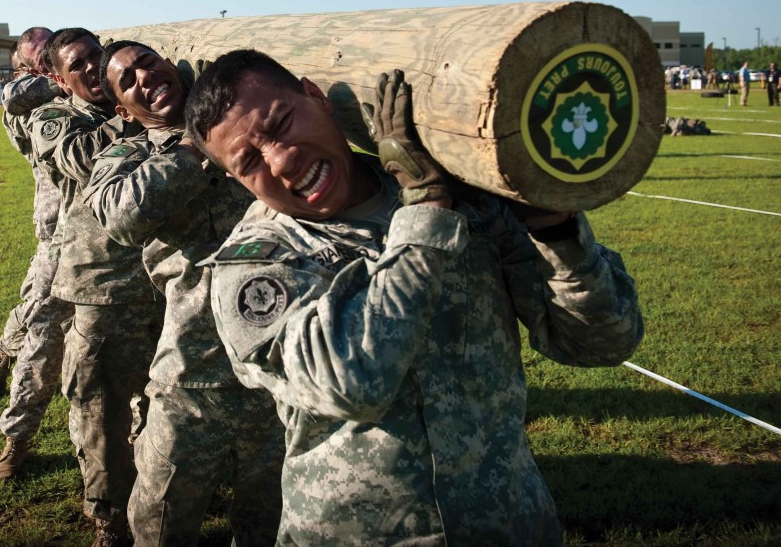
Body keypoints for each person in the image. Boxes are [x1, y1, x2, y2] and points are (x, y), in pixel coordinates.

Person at [184, 50, 644, 546]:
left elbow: (600, 343)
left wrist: (554, 229)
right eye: (250, 161)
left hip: (507, 524)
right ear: (235, 180)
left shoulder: (467, 202)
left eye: (281, 124)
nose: (282, 159)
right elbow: (352, 382)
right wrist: (425, 209)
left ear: (315, 95)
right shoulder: (254, 267)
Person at [82, 41, 285, 546]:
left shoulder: (242, 126)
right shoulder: (124, 157)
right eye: (126, 81)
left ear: (172, 64)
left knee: (273, 520)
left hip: (277, 365)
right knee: (160, 522)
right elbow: (123, 217)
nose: (142, 78)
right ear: (121, 107)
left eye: (147, 63)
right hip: (193, 375)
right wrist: (198, 147)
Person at [29, 28, 163, 547]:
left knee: (159, 402)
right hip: (100, 285)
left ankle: (156, 489)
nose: (90, 69)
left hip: (162, 281)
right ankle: (109, 516)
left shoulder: (147, 105)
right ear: (61, 80)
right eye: (77, 65)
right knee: (97, 406)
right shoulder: (55, 120)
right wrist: (138, 114)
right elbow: (82, 159)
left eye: (95, 58)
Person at [0, 27, 76, 485]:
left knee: (31, 310)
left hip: (98, 235)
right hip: (55, 230)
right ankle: (16, 439)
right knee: (40, 327)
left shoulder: (79, 92)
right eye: (36, 61)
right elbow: (16, 94)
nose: (43, 66)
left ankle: (3, 352)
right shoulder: (26, 100)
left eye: (50, 57)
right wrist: (61, 75)